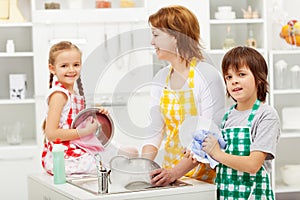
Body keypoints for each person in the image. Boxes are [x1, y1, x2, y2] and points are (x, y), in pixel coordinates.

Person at [142, 5, 226, 186]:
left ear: (176, 36)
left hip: (203, 177)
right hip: (171, 173)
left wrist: (174, 173)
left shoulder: (207, 76)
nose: (152, 42)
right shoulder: (161, 78)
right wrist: (142, 166)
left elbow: (209, 136)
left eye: (156, 35)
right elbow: (154, 131)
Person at [191, 46, 281, 199]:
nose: (234, 81)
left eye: (241, 74)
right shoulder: (226, 116)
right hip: (226, 194)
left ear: (259, 79)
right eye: (229, 77)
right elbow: (215, 154)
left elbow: (253, 165)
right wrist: (200, 153)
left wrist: (217, 154)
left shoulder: (266, 115)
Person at [41, 41, 109, 176]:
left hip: (75, 149)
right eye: (64, 66)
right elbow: (52, 134)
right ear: (52, 68)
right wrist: (84, 132)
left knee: (117, 156)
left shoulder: (74, 94)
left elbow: (74, 123)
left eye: (76, 64)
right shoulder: (59, 95)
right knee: (111, 162)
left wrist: (98, 114)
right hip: (62, 157)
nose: (71, 70)